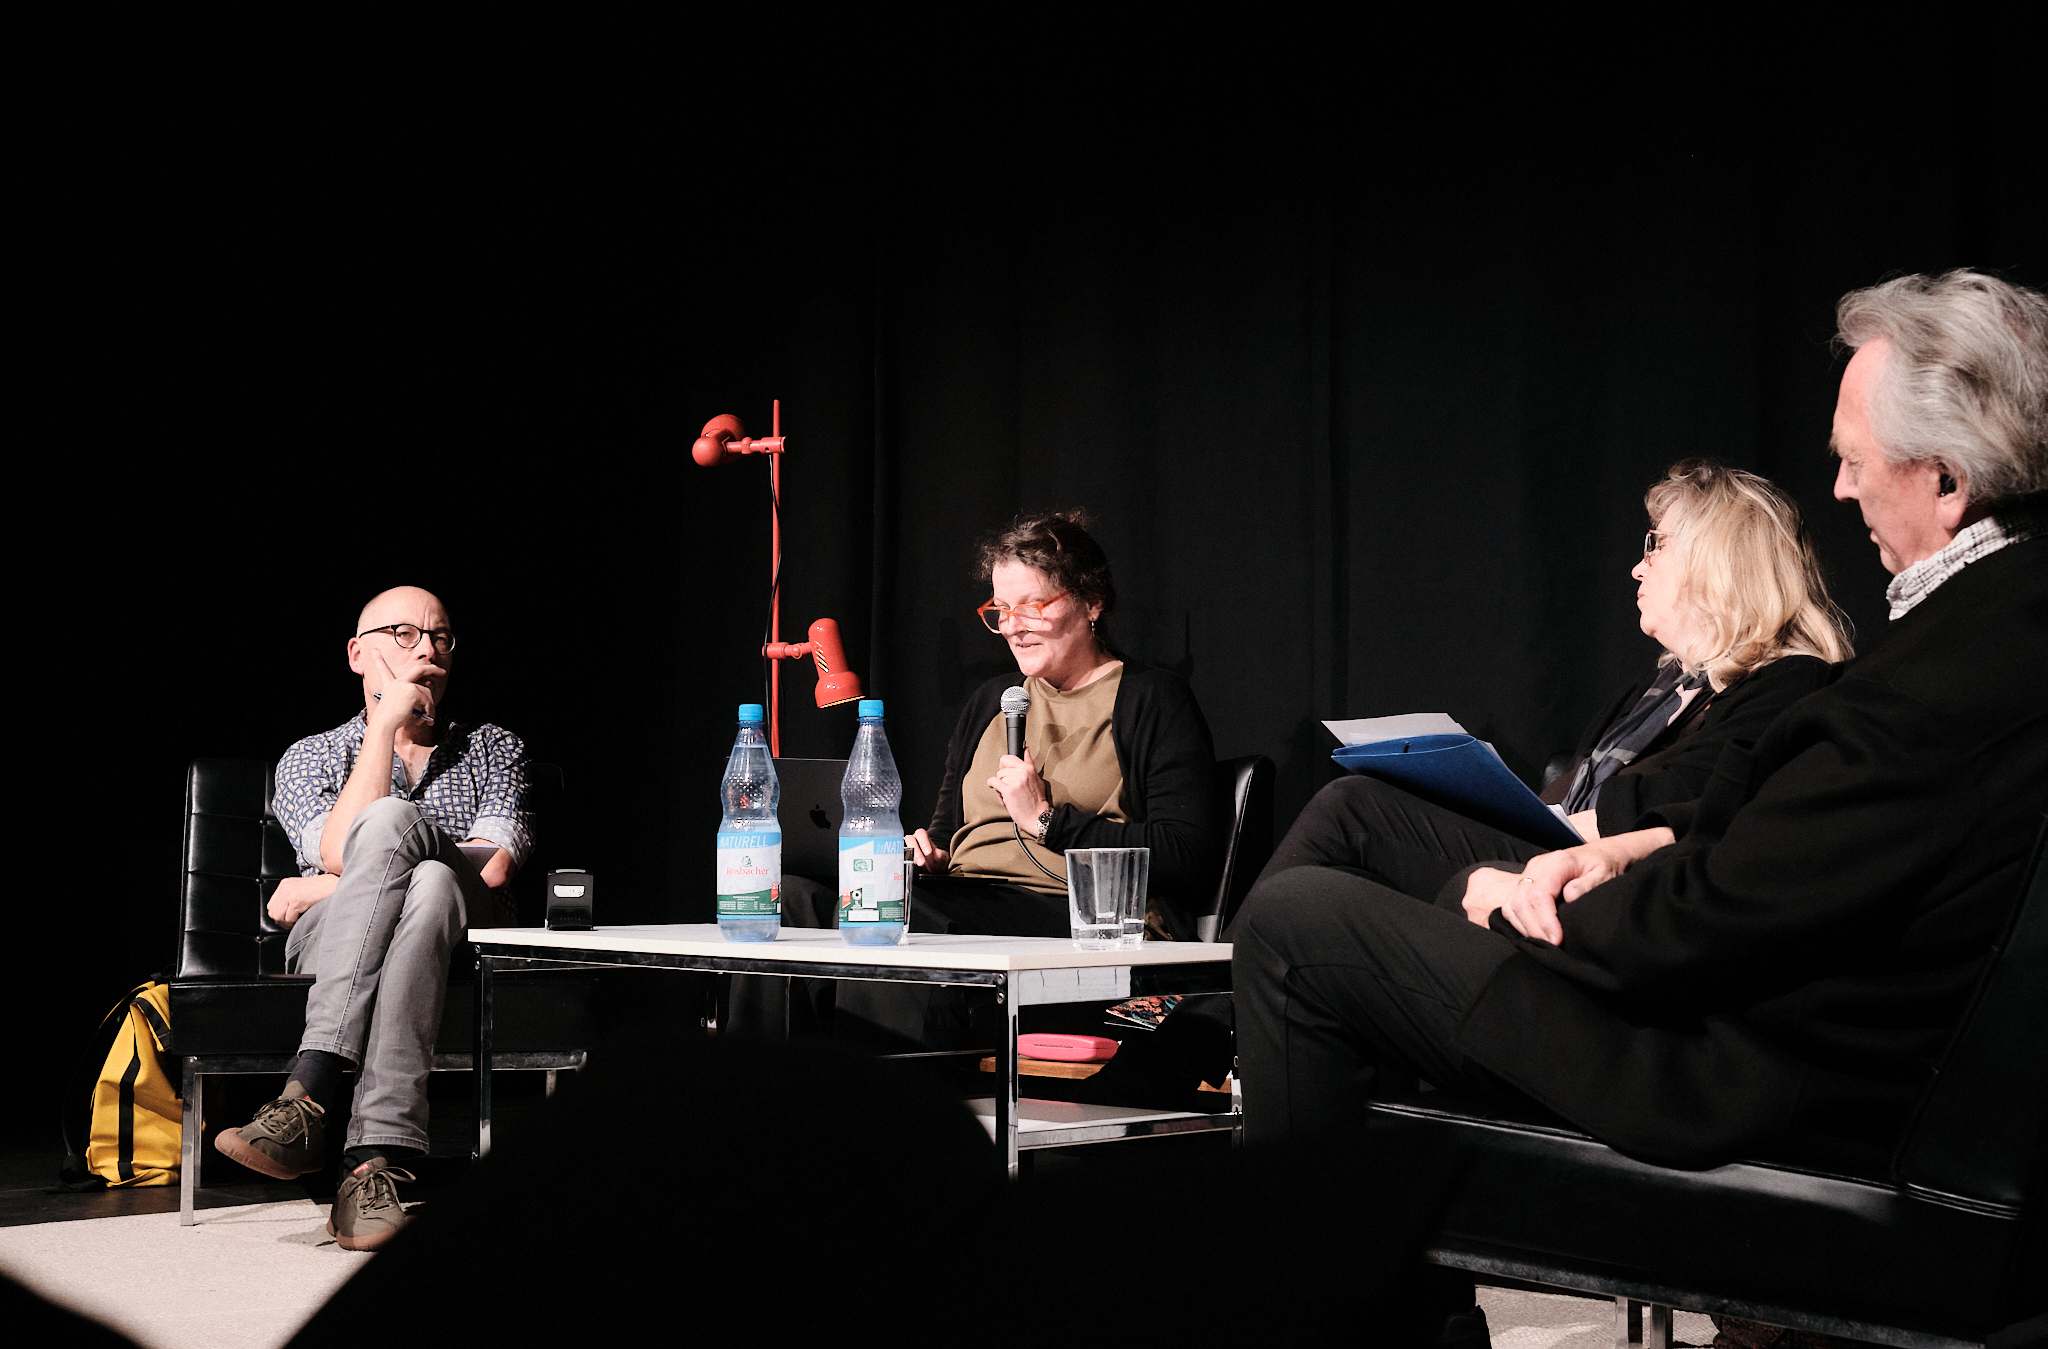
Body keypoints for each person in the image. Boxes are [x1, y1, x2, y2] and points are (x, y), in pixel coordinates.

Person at [1232, 270, 2048, 1184]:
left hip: (1734, 1078)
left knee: (1299, 922)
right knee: (1364, 867)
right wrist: (1632, 848)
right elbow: (1810, 849)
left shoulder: (1935, 682)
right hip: (1786, 1047)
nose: (1841, 487)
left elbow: (1714, 924)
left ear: (1946, 478)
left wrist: (1509, 907)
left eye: (1855, 460)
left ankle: (1301, 1252)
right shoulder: (1998, 636)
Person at [1254, 459, 1852, 907]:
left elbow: (1689, 808)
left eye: (1656, 546)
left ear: (1717, 557)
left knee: (1350, 808)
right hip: (1554, 849)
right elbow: (1567, 796)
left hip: (1601, 881)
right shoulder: (1660, 690)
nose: (1637, 567)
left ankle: (1213, 1002)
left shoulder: (1787, 684)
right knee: (1337, 875)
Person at [740, 509, 1223, 1047]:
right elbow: (948, 833)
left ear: (1091, 601)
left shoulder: (1151, 699)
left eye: (1031, 606)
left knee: (903, 915)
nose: (1012, 626)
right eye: (1001, 610)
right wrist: (930, 852)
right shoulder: (992, 700)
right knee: (791, 899)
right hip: (962, 899)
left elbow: (1187, 856)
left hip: (1076, 918)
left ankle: (888, 1096)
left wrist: (1047, 820)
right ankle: (757, 1090)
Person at [213, 586, 532, 1250]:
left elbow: (494, 866)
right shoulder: (310, 756)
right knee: (431, 880)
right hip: (339, 936)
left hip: (467, 935)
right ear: (359, 654)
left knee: (415, 852)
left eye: (440, 637)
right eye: (405, 634)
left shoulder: (493, 747)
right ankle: (371, 1163)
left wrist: (325, 885)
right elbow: (337, 849)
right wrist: (384, 727)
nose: (427, 650)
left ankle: (309, 1090)